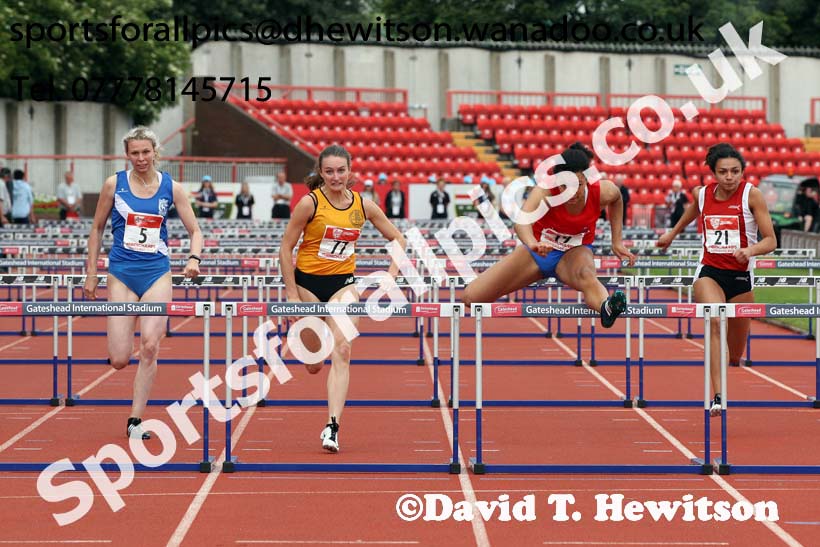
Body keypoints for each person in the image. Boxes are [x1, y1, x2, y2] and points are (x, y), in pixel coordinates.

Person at [279, 144, 406, 453]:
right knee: (313, 365)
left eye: (341, 171)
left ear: (350, 173)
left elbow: (398, 238)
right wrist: (292, 295)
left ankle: (332, 426)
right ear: (321, 173)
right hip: (308, 284)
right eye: (329, 171)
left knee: (344, 349)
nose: (335, 176)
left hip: (343, 285)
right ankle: (309, 338)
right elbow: (285, 248)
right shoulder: (309, 204)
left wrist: (391, 275)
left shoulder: (364, 205)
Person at [83, 126, 203, 439]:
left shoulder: (171, 187)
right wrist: (92, 272)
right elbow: (96, 228)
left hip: (157, 273)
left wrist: (194, 258)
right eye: (134, 153)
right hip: (121, 273)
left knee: (150, 346)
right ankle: (117, 344)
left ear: (155, 152)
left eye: (145, 152)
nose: (140, 158)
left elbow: (196, 231)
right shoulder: (114, 184)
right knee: (121, 359)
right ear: (127, 155)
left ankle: (135, 420)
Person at [657, 143, 776, 416]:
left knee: (734, 355)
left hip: (741, 277)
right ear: (713, 173)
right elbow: (690, 212)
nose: (729, 177)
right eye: (723, 172)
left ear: (742, 172)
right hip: (710, 272)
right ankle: (718, 397)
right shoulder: (703, 194)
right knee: (713, 319)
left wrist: (750, 250)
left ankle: (729, 363)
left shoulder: (752, 196)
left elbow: (770, 240)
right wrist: (671, 234)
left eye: (735, 171)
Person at [463, 142, 635, 329]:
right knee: (471, 297)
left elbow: (617, 200)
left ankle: (607, 307)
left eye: (577, 185)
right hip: (538, 254)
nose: (572, 192)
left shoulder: (602, 191)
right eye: (564, 186)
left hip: (574, 253)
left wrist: (616, 241)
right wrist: (533, 243)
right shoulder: (545, 191)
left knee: (586, 275)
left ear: (586, 179)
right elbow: (521, 222)